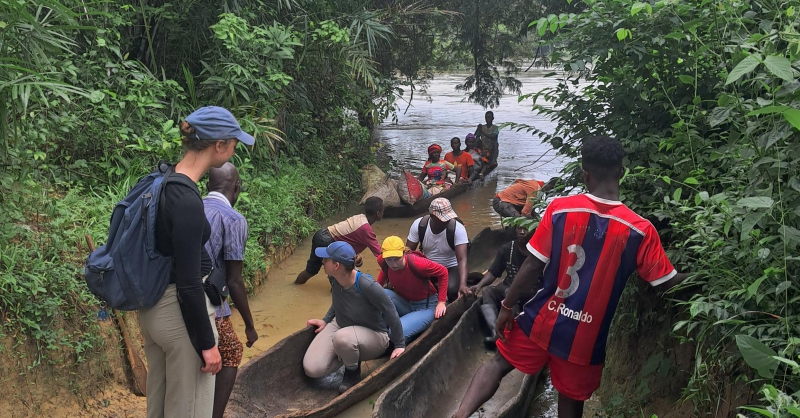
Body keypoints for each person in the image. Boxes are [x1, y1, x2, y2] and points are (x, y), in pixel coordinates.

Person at [452, 136, 691, 418]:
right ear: (622, 172)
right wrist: (700, 277)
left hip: (542, 320)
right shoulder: (639, 230)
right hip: (586, 338)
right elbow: (665, 281)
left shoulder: (560, 209)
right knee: (570, 400)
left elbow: (531, 267)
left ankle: (459, 416)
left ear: (584, 174)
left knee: (498, 364)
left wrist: (506, 307)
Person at [139, 106, 254, 418]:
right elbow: (190, 284)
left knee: (161, 408)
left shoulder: (162, 181)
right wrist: (207, 343)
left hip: (152, 309)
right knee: (189, 411)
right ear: (218, 145)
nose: (234, 150)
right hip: (181, 316)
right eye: (233, 144)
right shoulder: (188, 201)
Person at [302, 242, 406, 394]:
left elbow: (389, 310)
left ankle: (352, 372)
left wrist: (399, 344)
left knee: (342, 338)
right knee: (312, 368)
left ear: (336, 265)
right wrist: (325, 320)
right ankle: (347, 354)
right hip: (341, 325)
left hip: (374, 335)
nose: (323, 262)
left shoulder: (365, 284)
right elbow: (337, 301)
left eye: (326, 259)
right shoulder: (334, 278)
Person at [203, 162, 258, 418]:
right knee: (232, 351)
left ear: (207, 185)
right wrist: (249, 324)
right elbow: (234, 280)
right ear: (237, 188)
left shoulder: (192, 206)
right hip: (208, 302)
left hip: (175, 295)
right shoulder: (233, 219)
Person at [469, 226, 535, 348]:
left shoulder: (539, 252)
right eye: (519, 228)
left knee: (510, 293)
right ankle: (495, 331)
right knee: (488, 291)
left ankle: (509, 334)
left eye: (526, 229)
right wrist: (479, 285)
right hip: (508, 287)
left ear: (534, 230)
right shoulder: (507, 249)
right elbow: (493, 272)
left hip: (530, 292)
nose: (521, 232)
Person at [294, 197, 384, 284]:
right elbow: (381, 256)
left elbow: (346, 238)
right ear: (378, 213)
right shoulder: (366, 229)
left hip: (322, 236)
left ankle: (295, 286)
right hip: (328, 241)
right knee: (339, 279)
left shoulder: (360, 218)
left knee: (311, 271)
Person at [377, 236, 449, 342]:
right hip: (405, 303)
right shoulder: (384, 263)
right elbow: (382, 277)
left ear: (404, 253)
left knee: (395, 333)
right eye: (389, 260)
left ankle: (406, 337)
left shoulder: (418, 263)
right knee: (380, 293)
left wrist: (441, 302)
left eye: (397, 259)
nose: (393, 264)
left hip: (425, 307)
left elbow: (443, 272)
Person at [406, 198, 471, 303]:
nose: (447, 221)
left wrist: (463, 285)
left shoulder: (457, 229)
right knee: (413, 288)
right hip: (428, 267)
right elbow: (408, 253)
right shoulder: (419, 225)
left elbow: (462, 259)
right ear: (432, 216)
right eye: (443, 219)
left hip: (450, 267)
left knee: (451, 290)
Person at [474, 111, 499, 181]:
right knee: (477, 140)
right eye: (486, 117)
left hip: (492, 149)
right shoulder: (482, 127)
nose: (488, 119)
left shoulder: (496, 128)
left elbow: (492, 137)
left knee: (495, 143)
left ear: (492, 118)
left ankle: (490, 162)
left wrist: (481, 131)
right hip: (483, 148)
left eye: (489, 117)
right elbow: (475, 137)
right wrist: (478, 129)